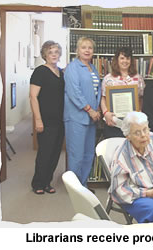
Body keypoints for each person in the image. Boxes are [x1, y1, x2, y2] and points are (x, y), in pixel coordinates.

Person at [64, 37, 101, 187]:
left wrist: (97, 109)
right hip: (76, 117)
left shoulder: (93, 68)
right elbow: (74, 92)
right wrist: (90, 109)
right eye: (83, 47)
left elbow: (97, 91)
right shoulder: (72, 67)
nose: (87, 50)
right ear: (77, 50)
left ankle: (83, 185)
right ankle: (75, 188)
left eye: (90, 48)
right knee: (76, 155)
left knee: (88, 155)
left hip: (91, 118)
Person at [29, 41, 64, 195]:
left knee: (55, 152)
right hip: (45, 120)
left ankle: (47, 182)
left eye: (56, 52)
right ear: (45, 55)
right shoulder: (40, 72)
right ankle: (38, 183)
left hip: (60, 120)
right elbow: (33, 97)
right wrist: (38, 120)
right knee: (45, 153)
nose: (54, 55)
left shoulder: (61, 73)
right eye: (50, 52)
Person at [100, 47, 145, 139]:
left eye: (128, 58)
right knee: (113, 150)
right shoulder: (108, 78)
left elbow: (141, 98)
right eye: (122, 58)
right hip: (113, 121)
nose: (125, 61)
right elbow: (103, 98)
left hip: (132, 123)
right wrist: (106, 113)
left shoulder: (138, 78)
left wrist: (138, 112)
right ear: (117, 60)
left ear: (131, 61)